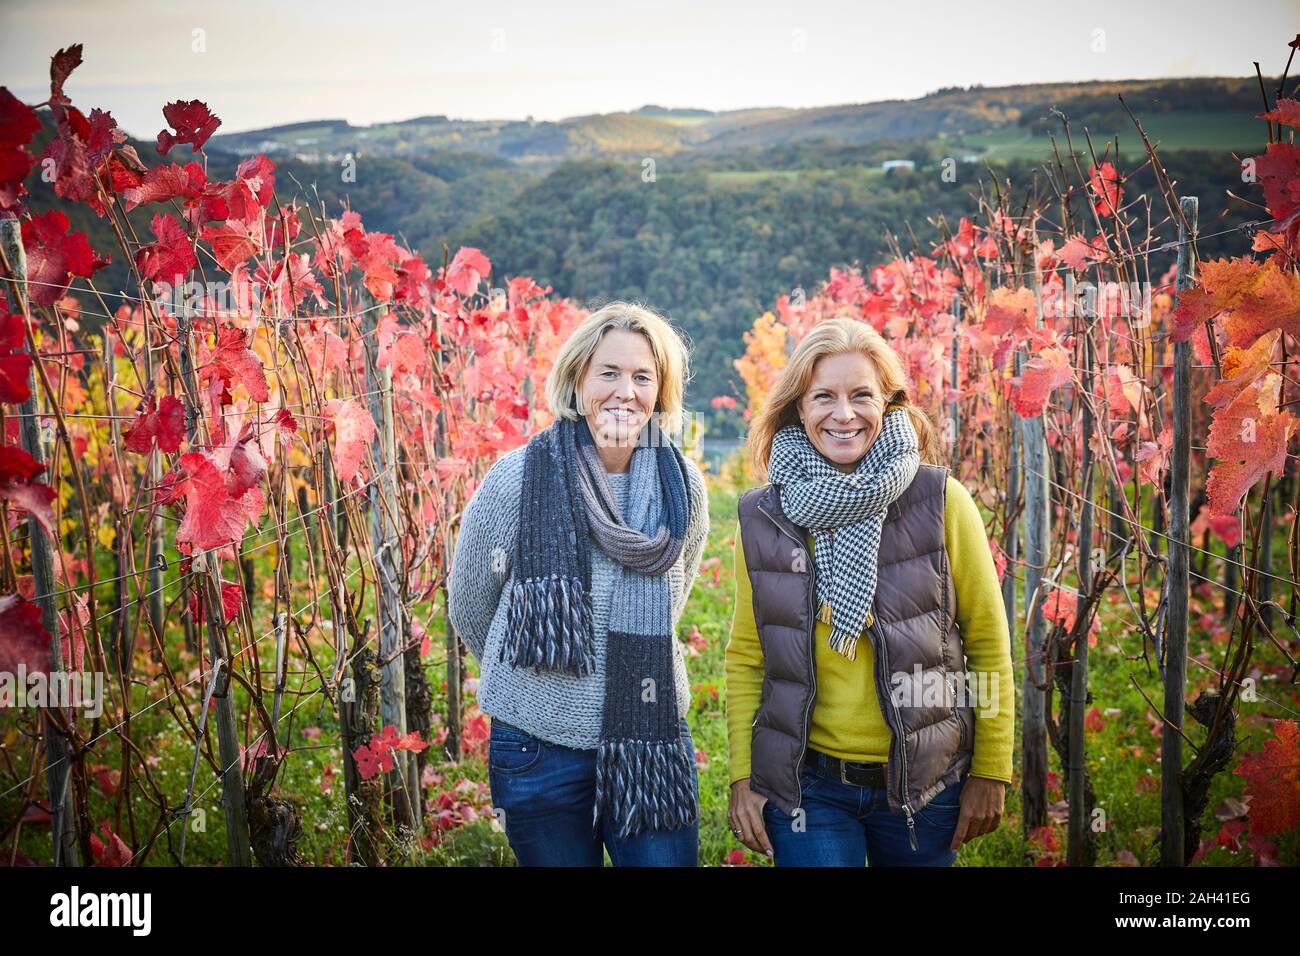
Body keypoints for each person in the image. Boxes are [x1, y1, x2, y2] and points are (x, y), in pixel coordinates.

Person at [725, 316, 1014, 866]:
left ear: (889, 403)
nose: (844, 413)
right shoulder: (763, 517)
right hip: (810, 783)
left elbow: (987, 643)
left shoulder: (941, 501)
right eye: (823, 397)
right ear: (798, 408)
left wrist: (991, 770)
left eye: (862, 395)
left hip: (925, 781)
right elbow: (746, 658)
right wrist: (744, 773)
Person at [448, 300, 709, 866]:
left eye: (642, 376)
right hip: (536, 748)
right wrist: (538, 677)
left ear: (660, 390)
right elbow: (472, 604)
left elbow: (675, 596)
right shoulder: (517, 478)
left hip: (650, 736)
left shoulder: (682, 487)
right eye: (608, 373)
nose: (625, 391)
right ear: (578, 379)